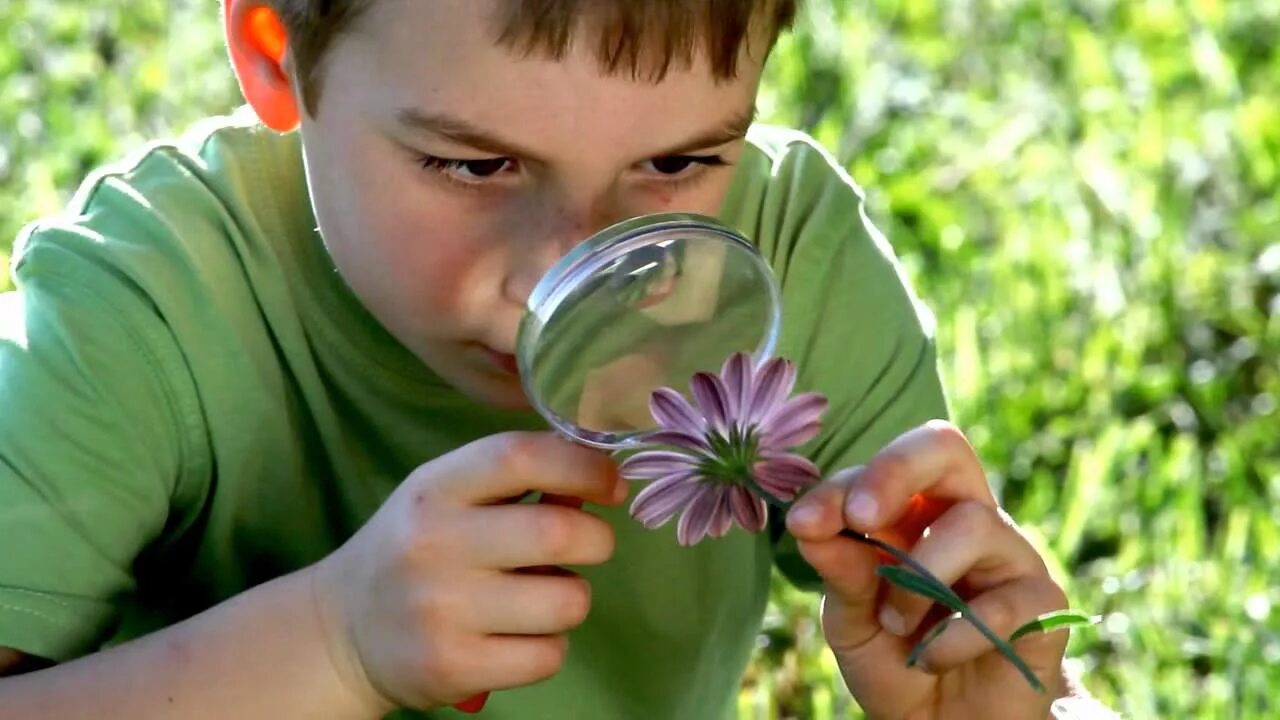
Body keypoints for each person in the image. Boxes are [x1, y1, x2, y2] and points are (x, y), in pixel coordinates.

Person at [0, 1, 1115, 717]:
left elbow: (1018, 675)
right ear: (276, 53)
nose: (568, 279)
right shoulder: (150, 303)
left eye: (675, 161)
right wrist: (333, 643)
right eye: (472, 166)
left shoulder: (783, 264)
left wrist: (1010, 702)